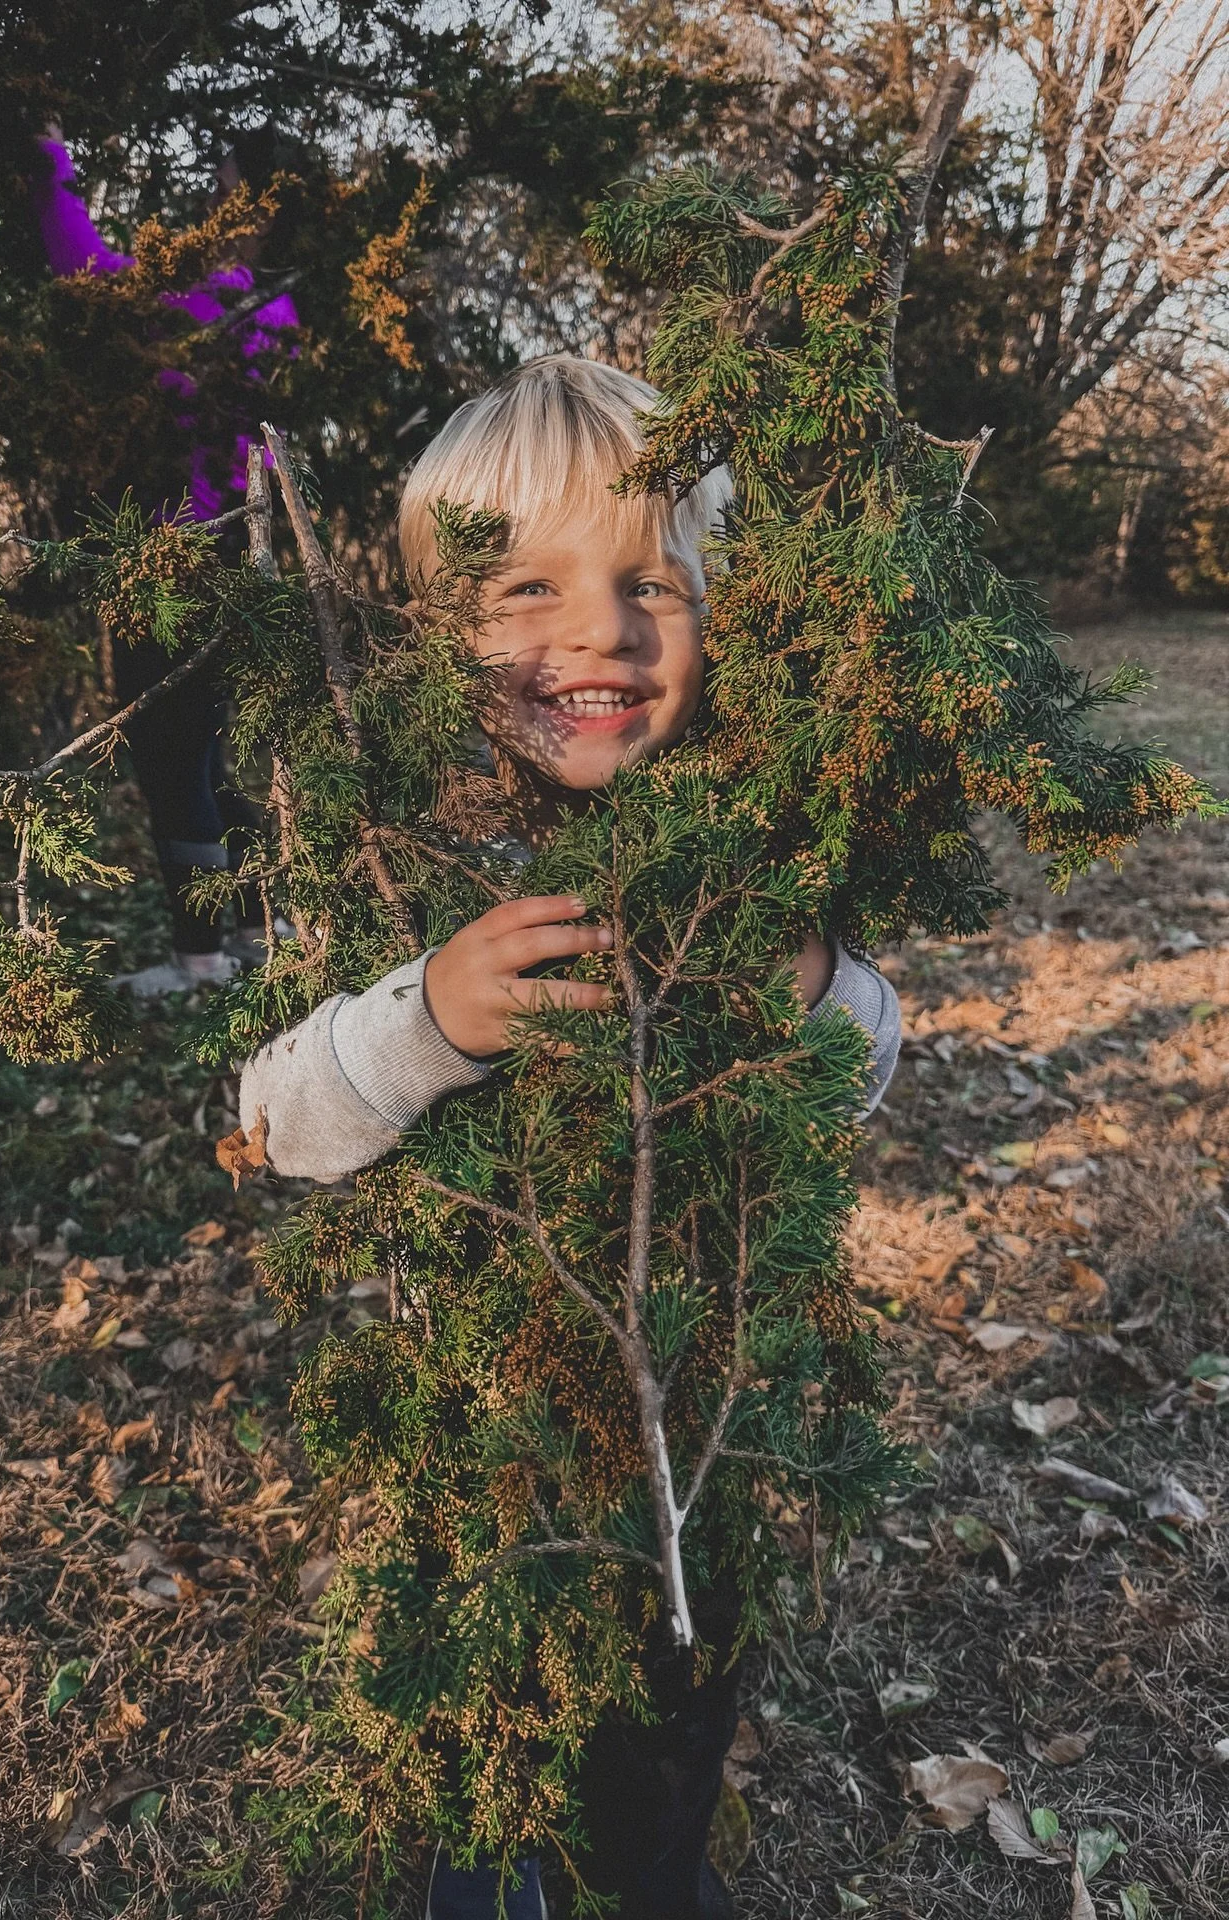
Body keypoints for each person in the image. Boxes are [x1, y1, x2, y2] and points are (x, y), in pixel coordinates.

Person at [236, 356, 901, 1919]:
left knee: (665, 1752)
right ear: (428, 633)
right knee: (483, 1783)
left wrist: (817, 989)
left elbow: (862, 1083)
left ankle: (657, 1876)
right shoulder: (394, 860)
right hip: (478, 1461)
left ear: (719, 622)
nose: (598, 631)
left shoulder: (748, 850)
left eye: (652, 584)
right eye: (522, 587)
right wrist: (428, 1021)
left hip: (694, 1444)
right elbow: (271, 1122)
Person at [32, 132, 298, 994]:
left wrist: (52, 164)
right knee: (205, 756)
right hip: (225, 558)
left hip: (171, 564)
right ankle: (267, 924)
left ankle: (201, 958)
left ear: (258, 204)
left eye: (223, 190)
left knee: (172, 759)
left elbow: (93, 275)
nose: (209, 206)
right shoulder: (278, 309)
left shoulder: (216, 303)